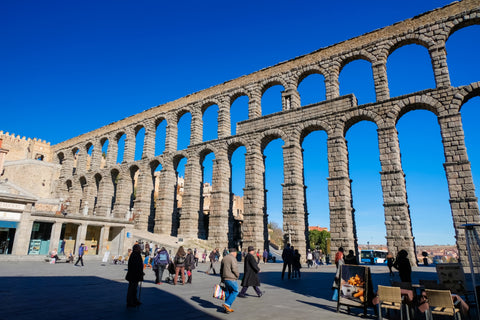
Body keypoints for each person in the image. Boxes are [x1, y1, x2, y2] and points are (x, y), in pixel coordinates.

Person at [220, 248, 240, 313]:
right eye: (236, 253)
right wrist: (237, 275)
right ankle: (227, 304)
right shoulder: (233, 258)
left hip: (225, 278)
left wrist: (222, 278)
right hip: (231, 278)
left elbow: (221, 270)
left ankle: (227, 308)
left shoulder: (224, 258)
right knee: (235, 291)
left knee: (228, 292)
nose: (236, 255)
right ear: (234, 252)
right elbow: (234, 268)